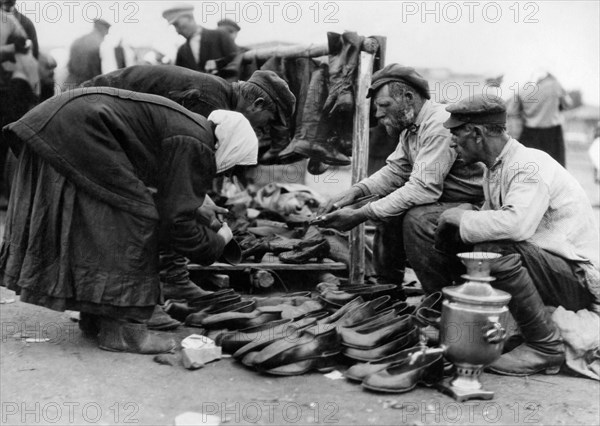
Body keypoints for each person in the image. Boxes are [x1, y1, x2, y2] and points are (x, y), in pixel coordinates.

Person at [0, 87, 258, 354]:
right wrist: (219, 241)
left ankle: (96, 317)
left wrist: (195, 204)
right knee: (138, 219)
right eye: (233, 168)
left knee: (107, 216)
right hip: (75, 130)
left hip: (63, 123)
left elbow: (166, 194)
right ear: (231, 147)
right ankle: (124, 332)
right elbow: (175, 223)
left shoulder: (194, 128)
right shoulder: (196, 142)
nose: (227, 175)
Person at [82, 65, 295, 310]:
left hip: (103, 120)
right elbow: (178, 172)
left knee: (172, 203)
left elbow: (175, 166)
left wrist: (198, 196)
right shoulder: (208, 101)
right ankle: (135, 300)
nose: (261, 131)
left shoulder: (219, 95)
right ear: (256, 104)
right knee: (142, 211)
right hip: (92, 119)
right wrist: (196, 201)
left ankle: (170, 280)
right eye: (266, 124)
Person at [434, 93, 599, 375]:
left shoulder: (528, 165)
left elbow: (515, 226)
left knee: (492, 247)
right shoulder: (497, 167)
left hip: (578, 278)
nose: (451, 141)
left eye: (456, 133)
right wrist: (463, 216)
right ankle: (460, 317)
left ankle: (545, 346)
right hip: (551, 268)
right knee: (461, 232)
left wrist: (461, 216)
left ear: (476, 133)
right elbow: (492, 219)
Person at [316, 64, 484, 290]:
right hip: (444, 199)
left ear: (408, 97)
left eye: (384, 105)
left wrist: (359, 215)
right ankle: (388, 288)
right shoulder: (410, 126)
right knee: (388, 205)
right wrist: (352, 193)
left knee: (417, 217)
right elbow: (395, 171)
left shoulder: (439, 124)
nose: (378, 114)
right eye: (377, 107)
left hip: (475, 205)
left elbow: (423, 190)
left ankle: (438, 297)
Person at [507, 69, 571, 166]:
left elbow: (512, 111)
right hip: (552, 134)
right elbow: (567, 104)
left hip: (529, 133)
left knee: (529, 168)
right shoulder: (554, 85)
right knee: (555, 169)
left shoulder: (523, 89)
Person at [162, 3, 237, 77]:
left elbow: (237, 60)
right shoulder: (181, 51)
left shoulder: (220, 35)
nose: (177, 31)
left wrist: (219, 64)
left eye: (177, 24)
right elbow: (180, 77)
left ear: (190, 18)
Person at [64, 19, 111, 88]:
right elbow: (95, 70)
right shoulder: (96, 43)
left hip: (72, 82)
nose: (105, 36)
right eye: (105, 33)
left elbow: (70, 65)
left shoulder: (78, 40)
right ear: (101, 29)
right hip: (86, 84)